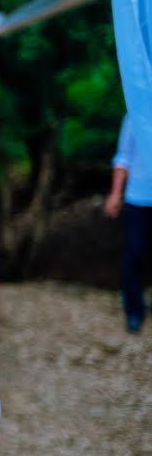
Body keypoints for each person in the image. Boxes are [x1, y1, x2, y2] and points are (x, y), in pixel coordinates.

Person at [104, 114, 152, 333]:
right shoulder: (134, 114)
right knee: (135, 253)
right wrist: (116, 194)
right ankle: (134, 311)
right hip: (138, 197)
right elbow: (124, 157)